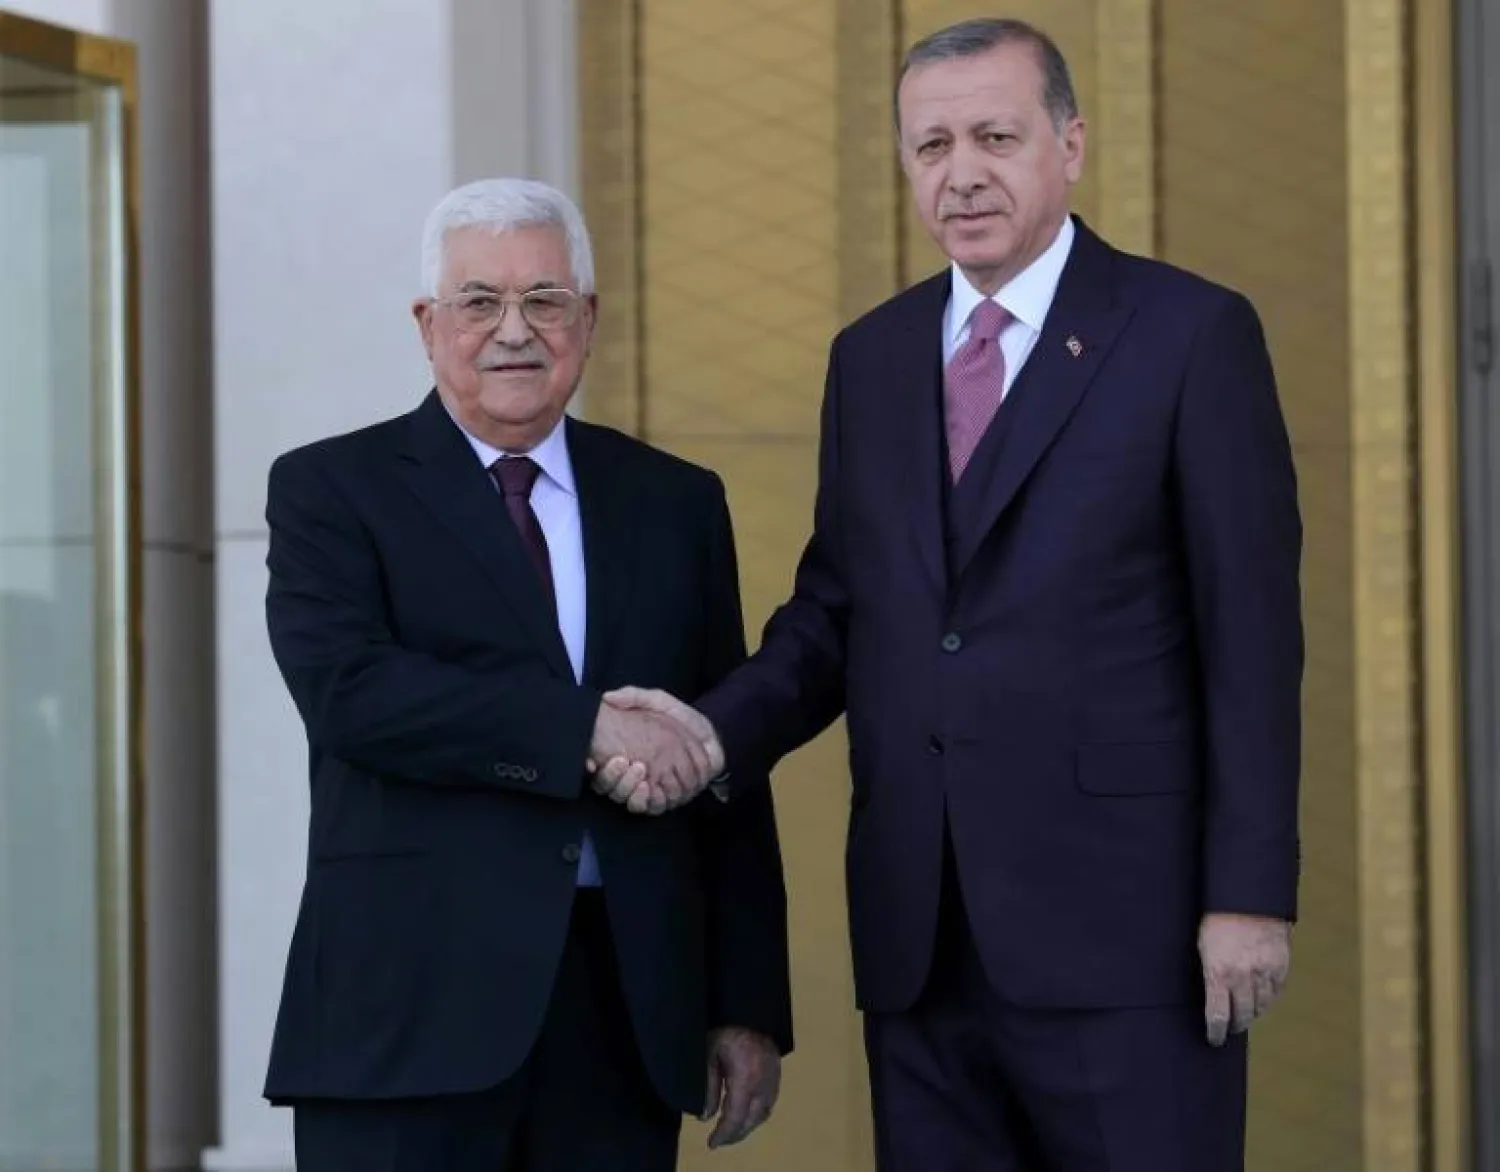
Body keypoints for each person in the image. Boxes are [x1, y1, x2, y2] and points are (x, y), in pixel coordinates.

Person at [596, 17, 1302, 1171]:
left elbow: (1255, 641)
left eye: (994, 135)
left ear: (1069, 146)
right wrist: (709, 734)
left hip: (1131, 937)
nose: (960, 172)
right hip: (921, 939)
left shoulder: (1189, 334)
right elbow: (835, 614)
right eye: (930, 145)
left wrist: (1249, 892)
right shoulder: (869, 359)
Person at [259, 177, 791, 1172]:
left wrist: (746, 1000)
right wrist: (583, 727)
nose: (515, 329)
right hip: (408, 1014)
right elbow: (352, 696)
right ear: (428, 323)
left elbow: (723, 753)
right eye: (479, 301)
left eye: (545, 300)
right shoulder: (331, 489)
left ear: (586, 321)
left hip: (622, 1008)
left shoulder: (674, 500)